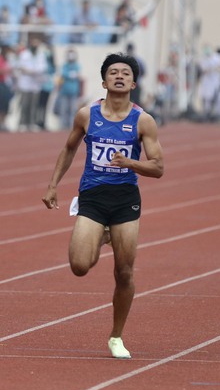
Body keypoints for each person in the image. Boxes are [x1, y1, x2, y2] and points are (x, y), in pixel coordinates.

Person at [42, 52, 164, 359]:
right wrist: (53, 184)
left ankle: (116, 336)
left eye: (125, 72)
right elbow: (69, 148)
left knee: (124, 272)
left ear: (134, 82)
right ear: (103, 81)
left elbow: (158, 167)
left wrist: (130, 162)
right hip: (93, 198)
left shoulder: (143, 120)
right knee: (80, 266)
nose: (119, 76)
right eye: (113, 72)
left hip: (125, 201)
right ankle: (100, 235)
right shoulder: (87, 115)